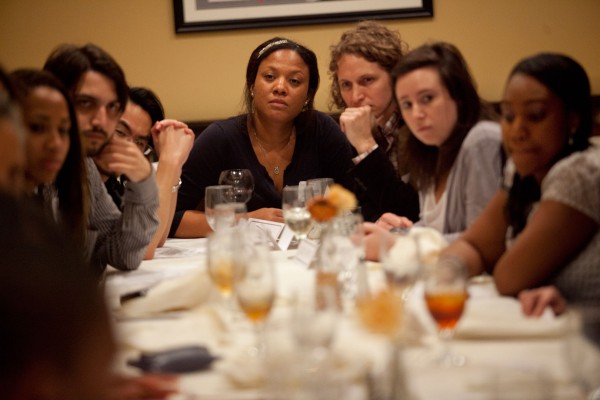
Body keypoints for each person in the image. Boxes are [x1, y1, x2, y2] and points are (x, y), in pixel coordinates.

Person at [442, 53, 599, 303]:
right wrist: (446, 274)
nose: (517, 131)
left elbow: (509, 278)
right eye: (508, 115)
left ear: (573, 120)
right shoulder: (521, 168)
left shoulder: (581, 172)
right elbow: (474, 246)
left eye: (535, 115)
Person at [171, 37, 357, 238]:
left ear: (308, 95)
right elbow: (171, 218)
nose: (280, 87)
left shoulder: (323, 132)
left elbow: (357, 206)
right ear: (252, 85)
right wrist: (245, 221)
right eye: (269, 77)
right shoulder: (220, 138)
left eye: (294, 81)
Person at [363, 42, 503, 260]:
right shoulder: (429, 148)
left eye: (427, 98)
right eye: (407, 104)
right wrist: (396, 231)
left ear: (458, 95)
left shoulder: (482, 140)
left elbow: (486, 242)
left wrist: (397, 243)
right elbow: (433, 230)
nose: (416, 113)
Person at [42, 43, 159, 273]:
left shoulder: (84, 167)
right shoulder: (16, 167)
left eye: (112, 107)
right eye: (86, 103)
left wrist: (144, 182)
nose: (101, 121)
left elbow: (124, 253)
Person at [328, 20, 419, 222]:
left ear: (395, 76)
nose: (355, 96)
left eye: (367, 80)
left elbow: (412, 212)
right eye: (346, 85)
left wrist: (366, 146)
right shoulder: (343, 128)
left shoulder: (420, 123)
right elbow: (351, 206)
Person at [100, 86, 194, 258]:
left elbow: (159, 237)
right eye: (120, 132)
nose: (129, 147)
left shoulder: (112, 184)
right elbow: (141, 248)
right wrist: (168, 162)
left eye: (139, 141)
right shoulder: (81, 178)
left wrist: (175, 166)